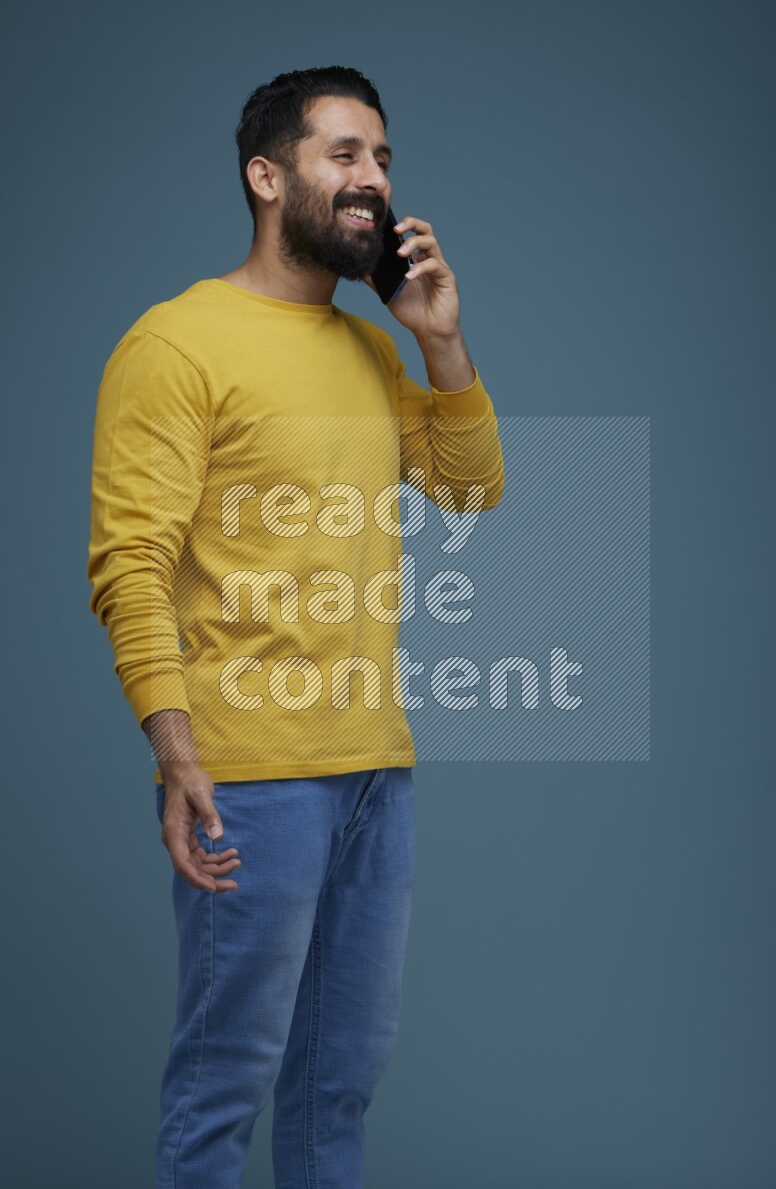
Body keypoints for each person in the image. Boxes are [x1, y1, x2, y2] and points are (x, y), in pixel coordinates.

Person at [87, 65, 505, 1188]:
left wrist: (440, 340)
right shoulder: (177, 343)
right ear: (267, 177)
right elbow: (131, 563)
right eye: (344, 154)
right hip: (251, 775)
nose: (373, 179)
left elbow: (471, 492)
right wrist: (176, 747)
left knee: (337, 1083)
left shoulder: (371, 349)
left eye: (382, 158)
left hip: (375, 772)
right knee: (224, 1078)